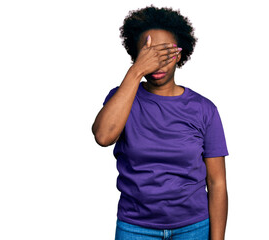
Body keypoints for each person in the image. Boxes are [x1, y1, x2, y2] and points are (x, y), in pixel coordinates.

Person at [92, 5, 229, 240]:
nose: (157, 62)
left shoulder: (204, 109)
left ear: (179, 54)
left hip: (193, 227)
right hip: (135, 227)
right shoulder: (122, 98)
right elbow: (103, 136)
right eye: (148, 55)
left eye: (165, 53)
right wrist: (136, 72)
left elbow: (217, 183)